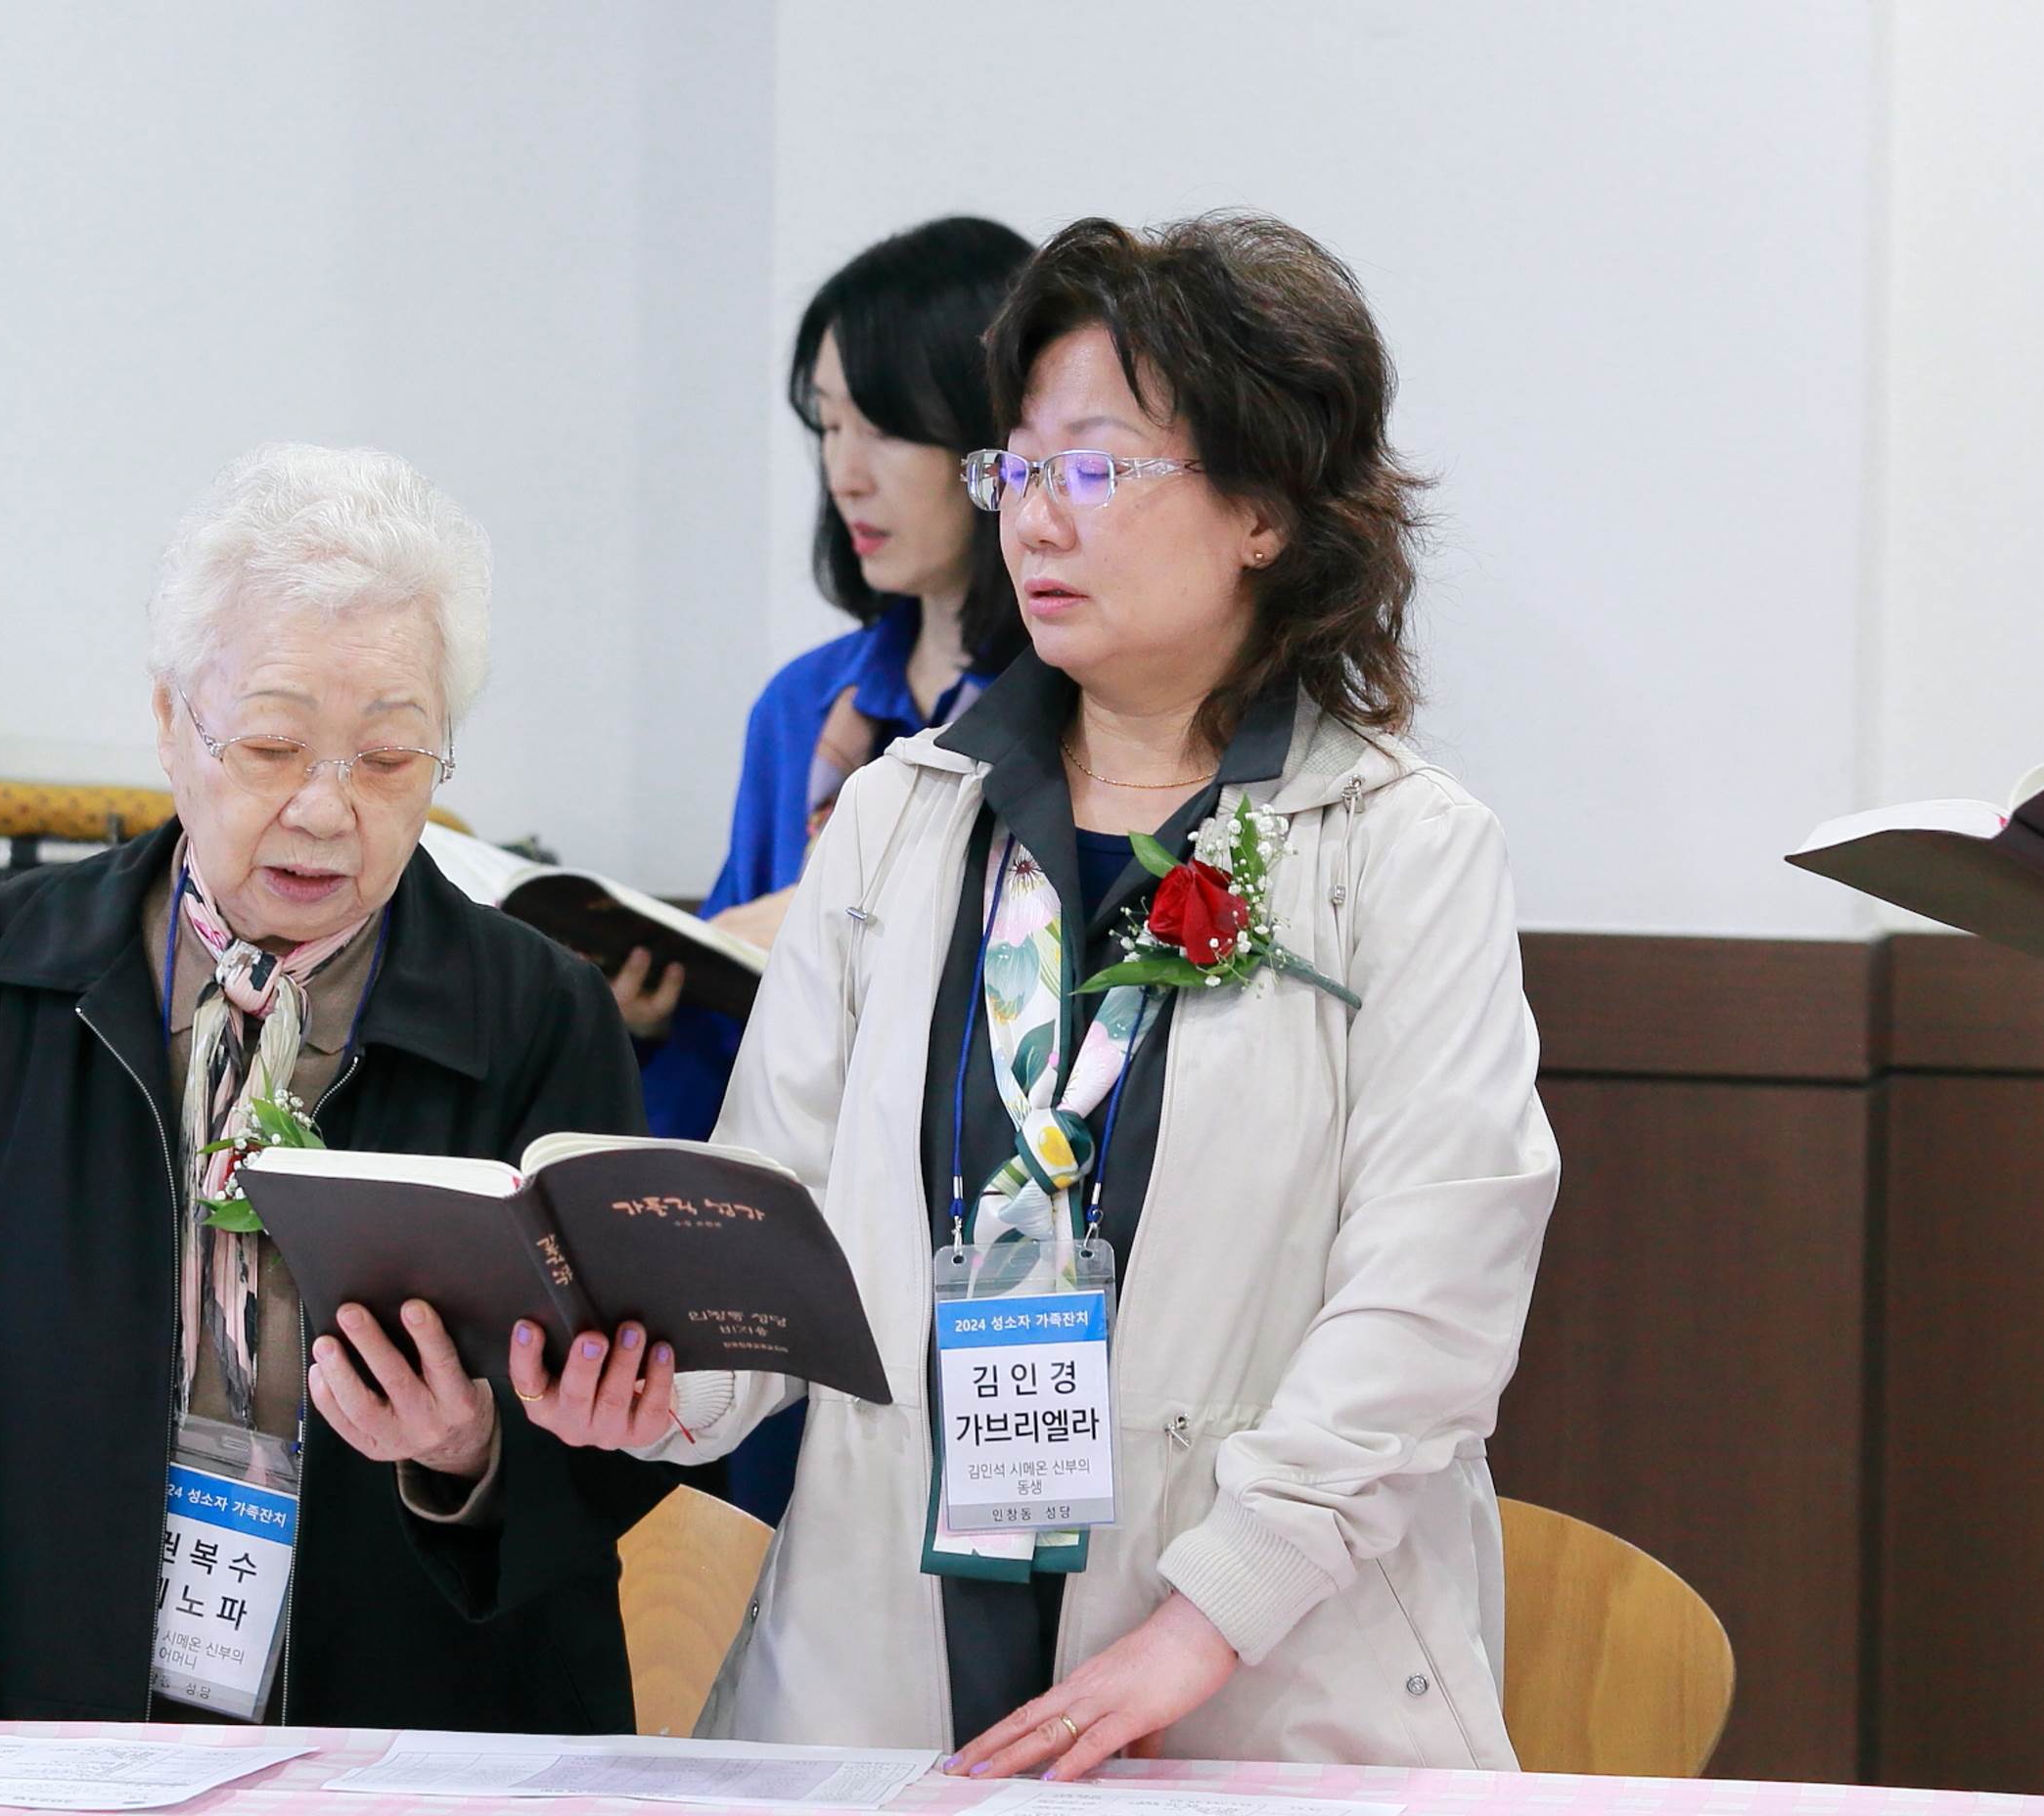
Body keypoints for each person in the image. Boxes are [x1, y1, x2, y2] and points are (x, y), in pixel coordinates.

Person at [598, 214, 1560, 1774]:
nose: (1035, 520)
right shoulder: (901, 822)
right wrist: (647, 1387)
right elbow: (775, 1218)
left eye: (1095, 469)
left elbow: (1430, 1299)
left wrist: (1209, 1620)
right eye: (1017, 469)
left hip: (1256, 1680)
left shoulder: (1402, 848)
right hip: (881, 1671)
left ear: (1265, 507)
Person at [0, 445, 678, 1756]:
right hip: (71, 1723)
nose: (326, 811)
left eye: (389, 757)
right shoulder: (15, 973)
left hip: (416, 1744)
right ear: (171, 723)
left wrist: (471, 1458)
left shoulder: (538, 1018)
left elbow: (614, 1445)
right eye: (275, 745)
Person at [626, 216, 1033, 1524]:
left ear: (994, 440)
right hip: (778, 1277)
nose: (844, 472)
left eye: (885, 427)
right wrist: (649, 1005)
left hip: (986, 1276)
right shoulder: (803, 708)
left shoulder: (1069, 713)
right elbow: (740, 1039)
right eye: (825, 424)